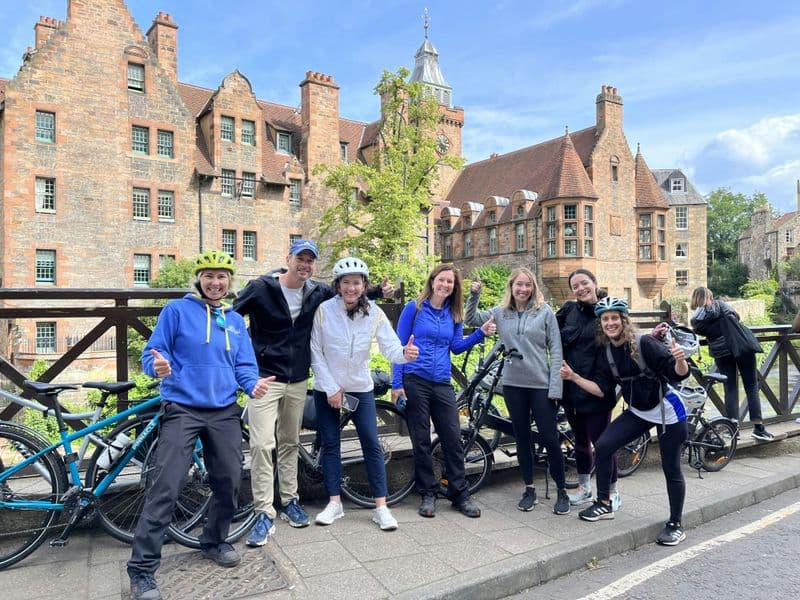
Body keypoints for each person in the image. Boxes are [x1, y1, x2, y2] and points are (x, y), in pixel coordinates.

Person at [127, 250, 275, 600]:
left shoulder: (235, 320)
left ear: (229, 282)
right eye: (208, 275)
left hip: (223, 409)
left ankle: (214, 540)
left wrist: (251, 384)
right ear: (199, 279)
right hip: (183, 408)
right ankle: (142, 570)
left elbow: (243, 365)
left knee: (229, 480)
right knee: (167, 484)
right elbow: (153, 353)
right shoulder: (176, 311)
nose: (215, 282)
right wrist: (157, 367)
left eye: (222, 276)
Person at [233, 239, 392, 545]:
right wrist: (243, 360)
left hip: (297, 380)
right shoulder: (260, 287)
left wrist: (376, 292)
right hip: (264, 378)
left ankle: (290, 501)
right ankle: (264, 513)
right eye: (300, 259)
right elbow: (230, 318)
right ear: (287, 258)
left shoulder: (316, 291)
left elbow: (348, 292)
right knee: (262, 445)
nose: (305, 265)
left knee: (290, 442)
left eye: (310, 260)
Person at [560, 296, 691, 546]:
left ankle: (675, 524)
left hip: (667, 411)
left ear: (623, 320)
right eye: (605, 319)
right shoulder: (607, 351)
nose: (610, 323)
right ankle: (604, 503)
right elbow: (601, 389)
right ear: (601, 324)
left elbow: (676, 374)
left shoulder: (645, 343)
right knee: (605, 444)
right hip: (639, 411)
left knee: (671, 467)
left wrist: (681, 360)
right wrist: (574, 377)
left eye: (614, 318)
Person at [310, 257, 419, 530]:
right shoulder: (324, 311)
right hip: (329, 389)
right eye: (346, 283)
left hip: (360, 387)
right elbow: (315, 352)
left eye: (356, 283)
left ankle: (381, 508)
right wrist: (332, 388)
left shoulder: (374, 313)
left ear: (364, 285)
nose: (351, 288)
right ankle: (335, 503)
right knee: (331, 444)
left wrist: (404, 355)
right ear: (338, 285)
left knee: (371, 444)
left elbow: (390, 346)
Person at [392, 264, 496, 519]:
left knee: (452, 438)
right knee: (421, 439)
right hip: (415, 379)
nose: (445, 285)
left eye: (450, 282)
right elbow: (398, 348)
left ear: (454, 287)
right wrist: (397, 384)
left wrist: (480, 334)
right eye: (442, 280)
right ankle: (428, 492)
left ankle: (460, 494)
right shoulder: (413, 309)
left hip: (441, 383)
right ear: (433, 281)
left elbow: (457, 347)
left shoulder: (454, 313)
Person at [466, 268, 569, 514]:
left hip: (541, 386)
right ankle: (529, 488)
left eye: (527, 285)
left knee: (549, 438)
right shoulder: (501, 313)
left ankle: (562, 490)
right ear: (511, 287)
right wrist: (475, 294)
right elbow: (471, 318)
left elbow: (556, 351)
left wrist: (556, 388)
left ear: (533, 288)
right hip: (514, 386)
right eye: (518, 285)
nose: (523, 289)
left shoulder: (544, 312)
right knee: (521, 437)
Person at [555, 269, 620, 511]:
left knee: (603, 444)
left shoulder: (607, 312)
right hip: (570, 389)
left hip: (596, 389)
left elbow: (626, 339)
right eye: (575, 286)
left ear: (594, 283)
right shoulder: (568, 311)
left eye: (584, 283)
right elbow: (547, 330)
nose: (581, 289)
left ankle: (612, 492)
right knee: (580, 442)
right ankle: (584, 487)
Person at [689, 286, 773, 441]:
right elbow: (737, 317)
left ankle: (733, 429)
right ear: (711, 297)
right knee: (751, 387)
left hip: (722, 354)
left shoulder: (696, 320)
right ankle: (759, 428)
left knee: (730, 389)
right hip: (741, 347)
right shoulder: (721, 305)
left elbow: (700, 331)